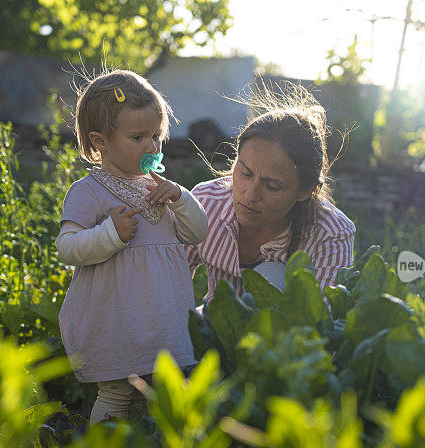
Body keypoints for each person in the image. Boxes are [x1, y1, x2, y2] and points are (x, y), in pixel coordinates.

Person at [56, 70, 208, 422]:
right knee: (118, 393)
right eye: (138, 137)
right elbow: (67, 247)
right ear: (100, 141)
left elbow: (196, 233)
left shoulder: (159, 187)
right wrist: (111, 233)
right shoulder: (88, 191)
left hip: (163, 317)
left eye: (156, 136)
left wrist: (182, 199)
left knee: (165, 390)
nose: (151, 147)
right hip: (118, 319)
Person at [185, 84, 355, 300]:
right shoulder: (205, 203)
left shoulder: (330, 233)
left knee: (272, 275)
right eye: (246, 173)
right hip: (213, 326)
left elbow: (322, 318)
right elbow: (166, 279)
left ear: (306, 190)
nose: (250, 195)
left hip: (283, 332)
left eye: (272, 186)